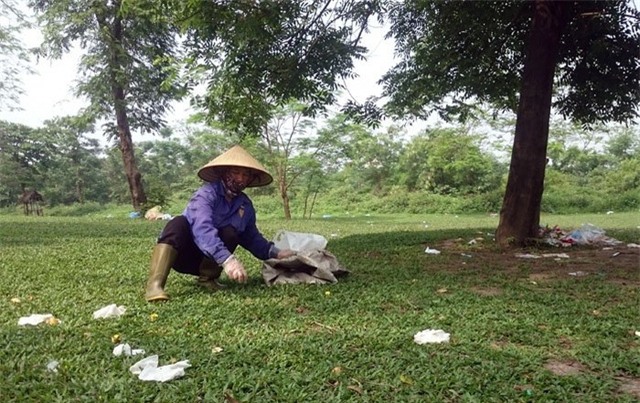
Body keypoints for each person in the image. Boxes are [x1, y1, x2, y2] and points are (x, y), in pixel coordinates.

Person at [145, 145, 295, 302]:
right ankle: (155, 286)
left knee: (230, 231)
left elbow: (251, 236)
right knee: (177, 223)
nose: (240, 178)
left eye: (245, 174)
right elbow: (202, 228)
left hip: (210, 263)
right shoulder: (206, 194)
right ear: (224, 173)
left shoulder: (245, 204)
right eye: (235, 173)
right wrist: (228, 260)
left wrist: (275, 252)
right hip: (184, 256)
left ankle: (207, 279)